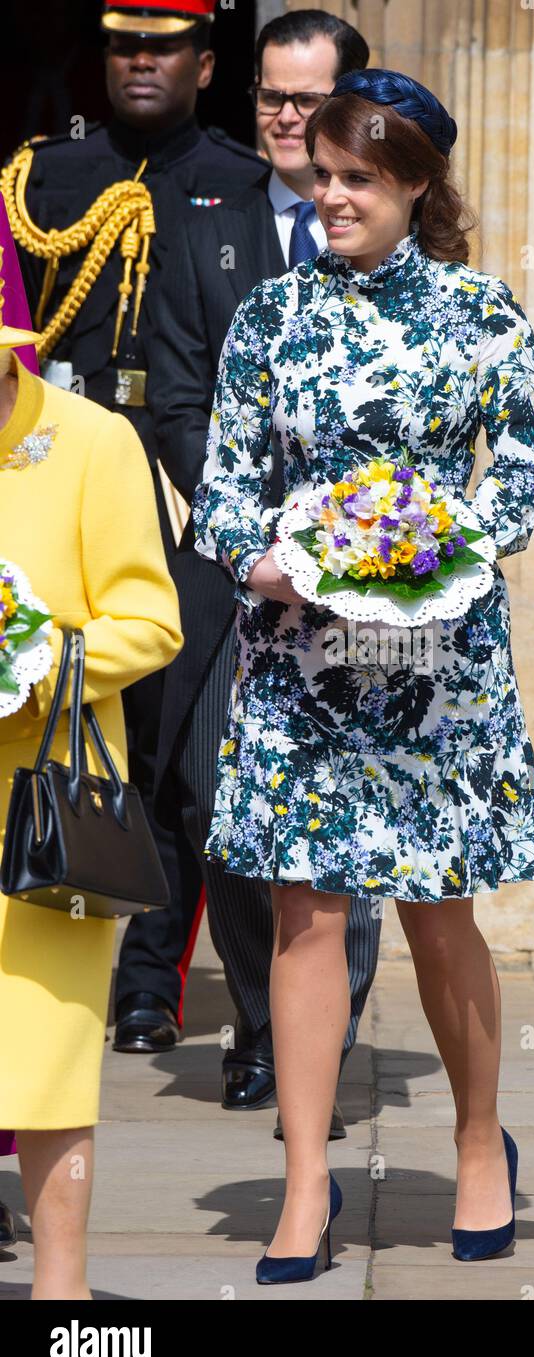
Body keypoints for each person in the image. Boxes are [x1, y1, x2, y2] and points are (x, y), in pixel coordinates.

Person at [193, 69, 534, 1283]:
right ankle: (306, 1179)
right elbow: (227, 489)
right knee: (304, 911)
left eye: (360, 177)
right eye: (323, 174)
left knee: (437, 908)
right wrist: (269, 561)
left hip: (435, 658)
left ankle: (473, 1143)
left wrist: (429, 541)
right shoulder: (272, 318)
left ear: (414, 182)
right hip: (302, 659)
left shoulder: (482, 314)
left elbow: (517, 478)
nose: (332, 193)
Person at [2, 0, 269, 1058]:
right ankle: (101, 980)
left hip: (183, 483)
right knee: (62, 721)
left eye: (163, 47)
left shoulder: (246, 184)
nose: (141, 63)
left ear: (206, 64)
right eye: (125, 45)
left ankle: (159, 983)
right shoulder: (44, 181)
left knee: (180, 758)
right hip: (60, 470)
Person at [146, 8, 381, 1131]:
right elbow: (179, 396)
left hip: (370, 583)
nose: (286, 119)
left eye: (307, 98)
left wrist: (349, 534)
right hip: (231, 569)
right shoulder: (204, 221)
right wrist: (259, 532)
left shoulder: (387, 224)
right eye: (271, 98)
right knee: (214, 798)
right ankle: (262, 1024)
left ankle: (319, 1038)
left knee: (350, 809)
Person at [0, 214, 183, 1299]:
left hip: (48, 794)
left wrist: (35, 656)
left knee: (50, 1052)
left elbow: (149, 622)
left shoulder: (92, 440)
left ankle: (63, 1294)